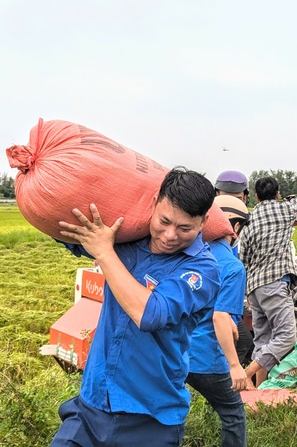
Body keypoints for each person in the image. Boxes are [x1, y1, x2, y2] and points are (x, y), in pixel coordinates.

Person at [51, 167, 220, 447]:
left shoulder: (202, 269)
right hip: (92, 404)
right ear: (154, 203)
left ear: (204, 222)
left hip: (150, 418)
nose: (169, 235)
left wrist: (105, 253)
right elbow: (65, 230)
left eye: (184, 228)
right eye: (164, 221)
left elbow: (150, 314)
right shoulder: (128, 242)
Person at [187, 195, 250, 447]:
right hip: (206, 358)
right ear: (234, 227)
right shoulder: (232, 266)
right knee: (234, 414)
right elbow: (220, 316)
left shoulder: (191, 254)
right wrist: (235, 366)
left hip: (176, 352)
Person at [239, 176, 297, 388]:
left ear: (255, 197)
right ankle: (246, 374)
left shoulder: (249, 221)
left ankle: (258, 387)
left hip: (254, 288)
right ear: (277, 194)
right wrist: (289, 198)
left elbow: (243, 259)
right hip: (274, 283)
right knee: (287, 336)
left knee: (262, 339)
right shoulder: (285, 210)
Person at [214, 169, 254, 365]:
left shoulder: (247, 225)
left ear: (246, 197)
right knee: (242, 339)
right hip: (219, 303)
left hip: (234, 295)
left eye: (237, 198)